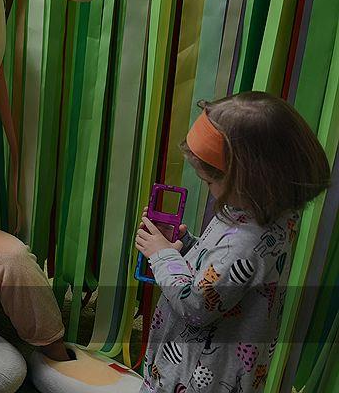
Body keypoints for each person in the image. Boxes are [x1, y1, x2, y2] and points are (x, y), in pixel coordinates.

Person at [135, 92, 330, 392]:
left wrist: (162, 256)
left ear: (247, 179)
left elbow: (196, 305)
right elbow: (227, 275)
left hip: (197, 376)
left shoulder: (246, 241)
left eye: (210, 181)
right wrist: (187, 245)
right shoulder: (264, 214)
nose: (209, 189)